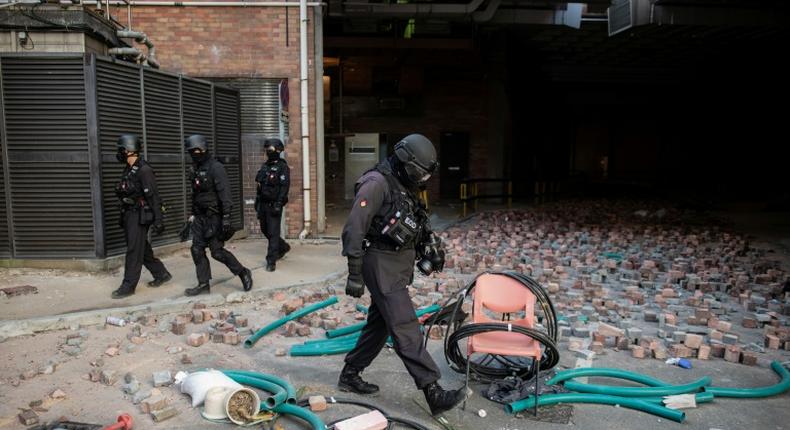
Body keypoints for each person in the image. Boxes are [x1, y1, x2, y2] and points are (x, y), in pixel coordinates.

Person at [338, 133, 464, 416]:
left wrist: (429, 247)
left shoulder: (404, 184)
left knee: (379, 325)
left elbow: (416, 219)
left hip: (398, 263)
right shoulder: (376, 183)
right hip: (380, 264)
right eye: (417, 173)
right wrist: (354, 272)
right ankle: (433, 390)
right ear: (404, 161)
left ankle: (350, 374)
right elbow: (354, 228)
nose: (420, 179)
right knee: (405, 325)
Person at [183, 134, 252, 296]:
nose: (195, 153)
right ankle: (203, 284)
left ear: (204, 148)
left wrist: (226, 217)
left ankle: (243, 272)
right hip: (200, 217)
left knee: (217, 252)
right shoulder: (195, 168)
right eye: (192, 151)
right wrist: (192, 215)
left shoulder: (216, 167)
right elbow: (195, 194)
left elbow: (225, 193)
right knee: (196, 250)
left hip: (214, 216)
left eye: (197, 150)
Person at [111, 134, 171, 299]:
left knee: (133, 251)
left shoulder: (144, 170)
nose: (119, 152)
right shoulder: (129, 169)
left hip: (139, 216)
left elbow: (153, 197)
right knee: (141, 249)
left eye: (121, 149)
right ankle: (161, 274)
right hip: (129, 214)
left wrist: (159, 220)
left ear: (129, 150)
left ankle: (128, 286)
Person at [255, 138, 291, 272]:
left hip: (274, 204)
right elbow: (259, 184)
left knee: (273, 232)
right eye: (267, 150)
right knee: (265, 230)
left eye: (270, 149)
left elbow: (284, 187)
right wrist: (257, 201)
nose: (268, 152)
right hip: (263, 203)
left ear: (278, 150)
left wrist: (279, 203)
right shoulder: (265, 166)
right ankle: (283, 246)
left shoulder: (282, 167)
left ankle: (271, 260)